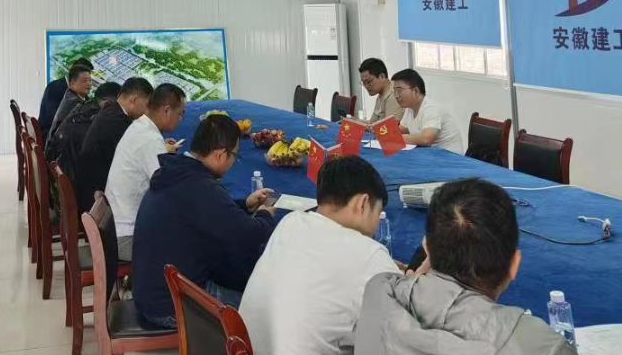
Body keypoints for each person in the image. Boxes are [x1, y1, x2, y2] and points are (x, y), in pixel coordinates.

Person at [354, 179, 578, 355]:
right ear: (514, 265)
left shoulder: (379, 291)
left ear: (427, 250)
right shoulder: (543, 346)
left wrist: (418, 277)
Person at [240, 155, 400, 355]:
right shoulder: (370, 256)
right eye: (377, 213)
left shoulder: (290, 222)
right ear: (363, 203)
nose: (376, 226)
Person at [133, 113, 276, 328]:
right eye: (234, 156)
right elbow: (248, 236)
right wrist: (265, 214)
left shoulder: (178, 172)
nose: (233, 163)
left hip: (153, 293)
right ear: (220, 154)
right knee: (263, 305)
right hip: (171, 306)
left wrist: (245, 205)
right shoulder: (199, 185)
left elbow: (212, 212)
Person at [107, 83, 186, 261]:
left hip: (115, 226)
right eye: (180, 113)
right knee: (190, 245)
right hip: (126, 237)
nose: (180, 118)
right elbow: (166, 191)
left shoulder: (139, 126)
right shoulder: (150, 139)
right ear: (167, 110)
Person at [73, 77, 153, 214]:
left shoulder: (111, 110)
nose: (147, 111)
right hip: (95, 200)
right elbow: (134, 161)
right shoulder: (117, 121)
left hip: (90, 188)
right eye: (146, 104)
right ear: (134, 99)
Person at [46, 81, 120, 179]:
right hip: (73, 180)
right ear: (106, 103)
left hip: (59, 170)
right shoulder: (99, 122)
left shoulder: (82, 108)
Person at [392, 69, 462, 152]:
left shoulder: (431, 108)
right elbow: (401, 130)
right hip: (429, 154)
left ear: (416, 91)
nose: (396, 96)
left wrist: (395, 138)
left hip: (448, 156)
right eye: (394, 91)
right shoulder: (410, 108)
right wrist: (382, 130)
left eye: (399, 91)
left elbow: (426, 139)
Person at [38, 57, 95, 134]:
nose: (88, 83)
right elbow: (53, 117)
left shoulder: (79, 91)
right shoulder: (54, 88)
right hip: (50, 133)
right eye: (84, 79)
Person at [358, 57, 404, 123]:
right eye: (363, 83)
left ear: (382, 76)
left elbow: (389, 127)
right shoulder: (381, 93)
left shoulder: (393, 95)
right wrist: (355, 121)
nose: (366, 86)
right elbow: (372, 123)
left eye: (368, 82)